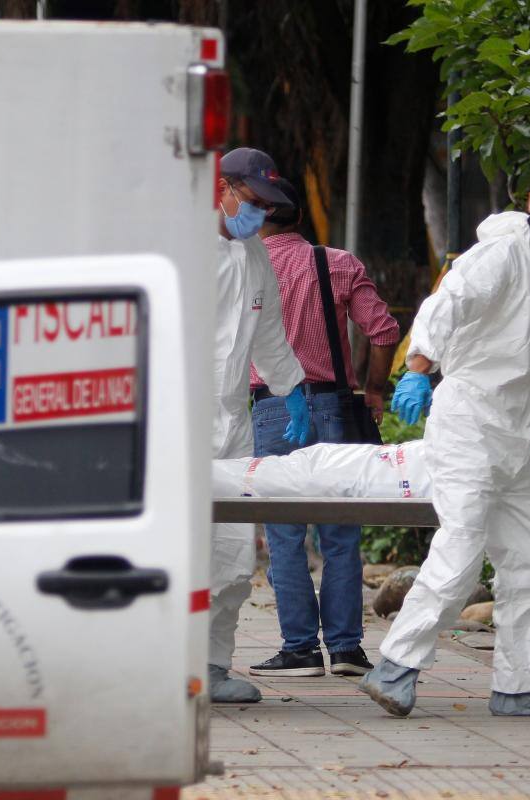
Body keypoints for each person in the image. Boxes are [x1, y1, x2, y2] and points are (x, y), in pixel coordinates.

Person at [358, 163, 530, 717]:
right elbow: (447, 305)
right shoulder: (503, 254)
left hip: (515, 437)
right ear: (529, 200)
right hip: (469, 422)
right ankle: (395, 666)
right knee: (461, 547)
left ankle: (519, 685)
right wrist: (418, 367)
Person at [247, 178, 401, 679]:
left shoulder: (248, 267)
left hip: (274, 408)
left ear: (260, 216)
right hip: (336, 405)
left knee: (284, 533)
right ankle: (347, 649)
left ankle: (300, 649)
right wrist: (374, 390)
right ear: (298, 217)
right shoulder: (337, 262)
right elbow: (383, 331)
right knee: (341, 532)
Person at [209, 147, 311, 704]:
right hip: (177, 422)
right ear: (220, 188)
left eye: (266, 206)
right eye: (251, 200)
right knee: (178, 550)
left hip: (231, 422)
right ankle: (163, 666)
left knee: (231, 553)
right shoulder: (182, 248)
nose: (258, 214)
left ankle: (211, 666)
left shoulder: (254, 256)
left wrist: (290, 388)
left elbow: (269, 331)